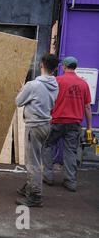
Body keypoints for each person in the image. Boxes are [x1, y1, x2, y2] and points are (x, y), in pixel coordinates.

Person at [42, 56, 92, 192]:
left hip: (57, 121)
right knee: (70, 151)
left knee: (47, 145)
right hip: (75, 123)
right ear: (75, 67)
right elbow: (87, 107)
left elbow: (48, 100)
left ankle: (48, 176)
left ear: (64, 67)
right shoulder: (84, 84)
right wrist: (89, 127)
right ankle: (70, 181)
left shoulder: (57, 81)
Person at [15, 54, 59, 207]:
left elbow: (18, 102)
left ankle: (35, 196)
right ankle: (29, 186)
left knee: (32, 162)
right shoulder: (55, 84)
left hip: (34, 126)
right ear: (55, 69)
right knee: (37, 158)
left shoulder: (33, 85)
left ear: (41, 65)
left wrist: (23, 90)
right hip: (46, 125)